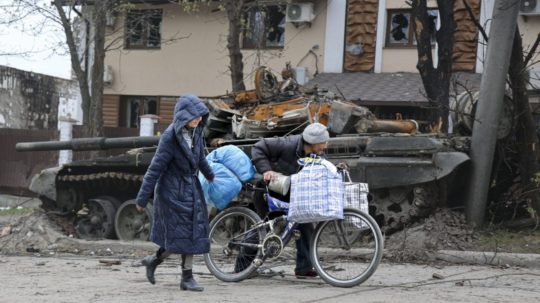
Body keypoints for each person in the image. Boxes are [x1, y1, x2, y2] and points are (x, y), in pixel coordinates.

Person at [135, 94, 215, 292]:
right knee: (182, 235)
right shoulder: (170, 137)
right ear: (183, 116)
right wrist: (142, 198)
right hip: (171, 192)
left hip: (191, 188)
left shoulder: (196, 132)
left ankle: (156, 261)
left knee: (190, 234)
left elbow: (200, 158)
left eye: (200, 116)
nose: (197, 119)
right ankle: (185, 277)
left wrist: (211, 175)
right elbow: (154, 169)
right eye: (193, 116)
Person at [250, 122, 330, 278]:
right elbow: (259, 147)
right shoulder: (288, 144)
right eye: (323, 143)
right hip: (270, 192)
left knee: (305, 225)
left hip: (292, 194)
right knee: (265, 228)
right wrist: (266, 170)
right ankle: (242, 267)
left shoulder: (317, 154)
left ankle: (304, 268)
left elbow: (325, 167)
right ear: (313, 142)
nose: (325, 146)